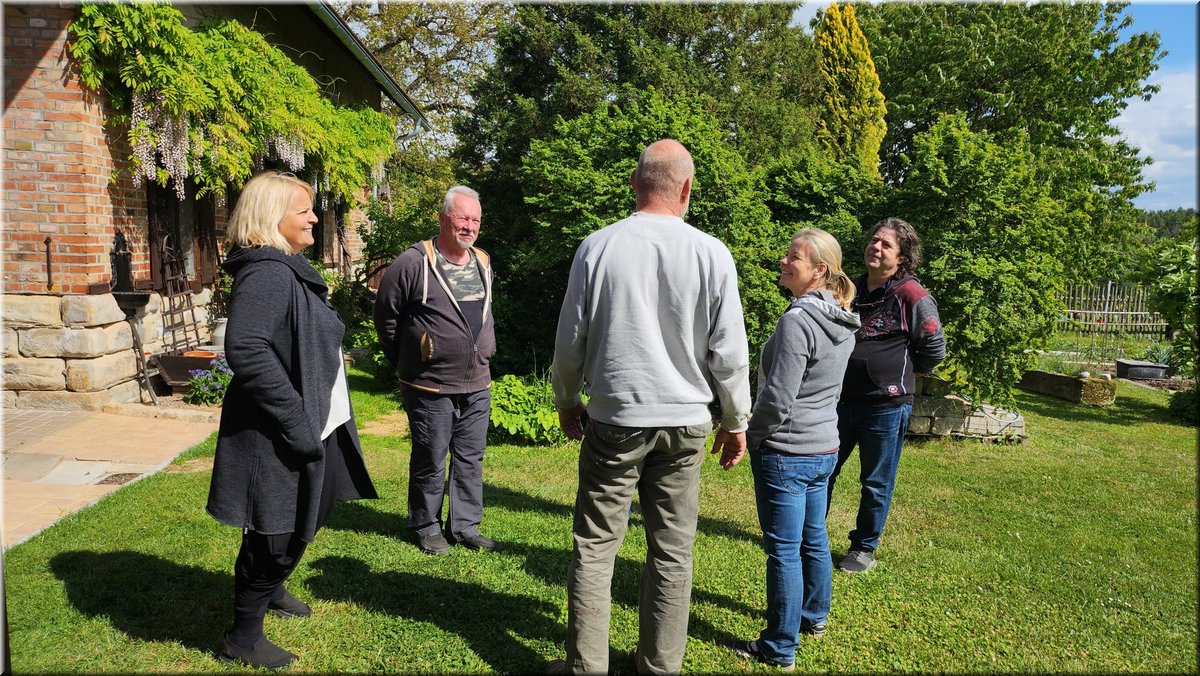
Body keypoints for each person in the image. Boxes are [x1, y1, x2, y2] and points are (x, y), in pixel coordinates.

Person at [549, 139, 752, 674]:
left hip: (615, 420)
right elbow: (729, 353)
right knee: (672, 551)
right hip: (685, 423)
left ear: (635, 183)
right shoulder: (712, 252)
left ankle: (586, 668)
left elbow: (570, 341)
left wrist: (566, 401)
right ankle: (660, 667)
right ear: (685, 189)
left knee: (596, 547)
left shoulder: (598, 247)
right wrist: (735, 422)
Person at [206, 171, 378, 669]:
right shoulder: (269, 272)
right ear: (271, 216)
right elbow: (246, 348)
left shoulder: (286, 266)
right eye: (304, 209)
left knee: (308, 512)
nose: (315, 217)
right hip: (278, 431)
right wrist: (297, 423)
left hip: (313, 422)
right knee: (277, 534)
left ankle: (273, 588)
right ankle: (243, 635)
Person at [726, 229, 860, 671]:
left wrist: (752, 434)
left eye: (794, 257)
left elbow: (779, 398)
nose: (783, 261)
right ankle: (814, 617)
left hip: (788, 451)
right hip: (824, 447)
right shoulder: (842, 318)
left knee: (784, 549)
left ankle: (780, 645)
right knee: (814, 537)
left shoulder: (799, 321)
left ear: (819, 269)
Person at [373, 185, 501, 555]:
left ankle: (464, 526)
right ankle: (425, 525)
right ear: (444, 218)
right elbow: (387, 316)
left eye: (475, 220)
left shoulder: (483, 261)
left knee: (470, 457)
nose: (470, 226)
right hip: (429, 384)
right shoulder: (414, 262)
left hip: (476, 380)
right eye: (463, 218)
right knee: (431, 455)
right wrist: (412, 357)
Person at [827, 217, 946, 574]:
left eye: (886, 245)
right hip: (841, 402)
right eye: (874, 241)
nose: (875, 247)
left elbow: (934, 348)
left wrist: (900, 373)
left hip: (886, 407)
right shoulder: (849, 288)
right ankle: (809, 534)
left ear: (903, 257)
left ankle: (863, 548)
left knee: (876, 481)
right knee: (824, 469)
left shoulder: (913, 296)